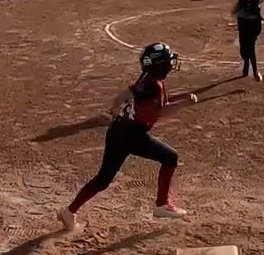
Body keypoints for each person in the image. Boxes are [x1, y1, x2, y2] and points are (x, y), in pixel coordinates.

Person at [60, 42, 198, 232]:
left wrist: (182, 99)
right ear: (161, 66)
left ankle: (69, 212)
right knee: (170, 157)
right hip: (132, 135)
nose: (171, 64)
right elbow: (158, 110)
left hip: (118, 132)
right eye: (168, 62)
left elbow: (135, 99)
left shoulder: (148, 80)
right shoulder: (154, 85)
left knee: (103, 180)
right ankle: (161, 205)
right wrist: (184, 104)